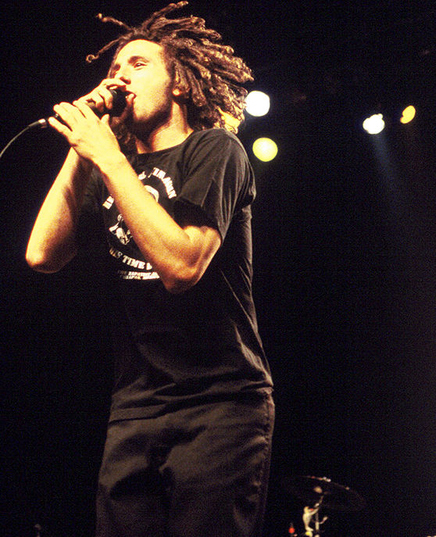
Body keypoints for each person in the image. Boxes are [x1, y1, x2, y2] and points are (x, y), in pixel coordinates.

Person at [25, 3, 273, 536]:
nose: (118, 77)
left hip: (220, 403)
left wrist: (108, 159)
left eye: (136, 65)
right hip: (135, 405)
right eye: (113, 70)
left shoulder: (216, 150)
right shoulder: (112, 167)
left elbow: (182, 264)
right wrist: (85, 146)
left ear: (179, 84)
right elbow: (41, 255)